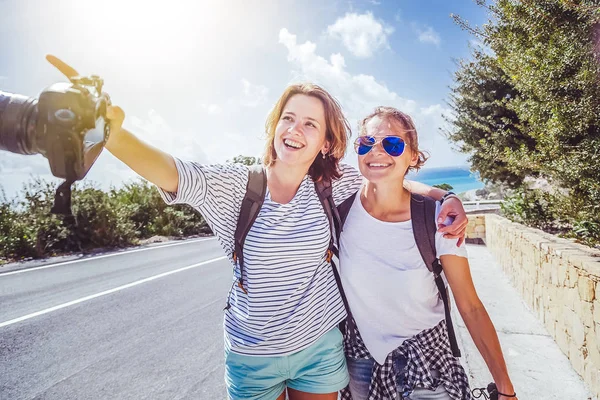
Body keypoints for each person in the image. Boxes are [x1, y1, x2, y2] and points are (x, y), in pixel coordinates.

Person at [45, 56, 469, 400]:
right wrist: (111, 134)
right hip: (251, 354)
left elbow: (388, 175)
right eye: (289, 118)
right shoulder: (235, 186)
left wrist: (445, 197)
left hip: (319, 345)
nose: (295, 129)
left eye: (309, 123)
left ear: (325, 142)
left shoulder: (329, 184)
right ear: (275, 126)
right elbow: (168, 170)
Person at [338, 107, 517, 400]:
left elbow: (470, 306)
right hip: (361, 362)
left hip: (427, 366)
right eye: (367, 143)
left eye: (392, 144)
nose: (376, 152)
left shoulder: (437, 220)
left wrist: (505, 389)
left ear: (412, 157)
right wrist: (447, 194)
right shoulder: (342, 207)